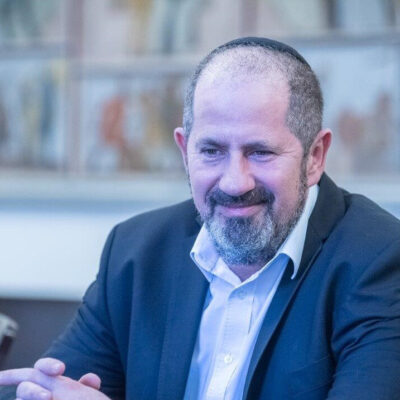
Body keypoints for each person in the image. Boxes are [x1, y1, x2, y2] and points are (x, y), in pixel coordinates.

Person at [1, 37, 400, 400]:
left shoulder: (381, 260)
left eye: (260, 152)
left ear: (315, 157)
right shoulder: (135, 253)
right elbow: (60, 388)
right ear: (183, 150)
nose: (234, 182)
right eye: (211, 151)